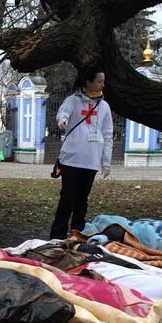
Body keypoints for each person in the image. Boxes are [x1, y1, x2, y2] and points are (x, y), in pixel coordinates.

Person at [49, 65, 113, 240]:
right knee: (67, 198)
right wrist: (62, 119)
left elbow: (108, 135)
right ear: (88, 82)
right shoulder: (74, 100)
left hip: (91, 160)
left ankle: (77, 234)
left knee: (82, 200)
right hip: (71, 159)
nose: (102, 85)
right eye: (99, 81)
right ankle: (57, 235)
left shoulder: (104, 106)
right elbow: (64, 111)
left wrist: (106, 161)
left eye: (103, 81)